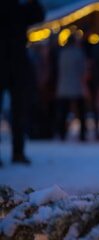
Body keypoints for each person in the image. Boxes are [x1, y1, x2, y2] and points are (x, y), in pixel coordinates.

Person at [0, 0, 45, 166]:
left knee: (20, 110)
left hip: (16, 62)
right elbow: (37, 15)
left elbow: (38, 15)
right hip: (15, 62)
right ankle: (18, 152)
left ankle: (18, 151)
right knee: (19, 111)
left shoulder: (20, 9)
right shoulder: (19, 9)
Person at [55, 34, 88, 141]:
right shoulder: (78, 53)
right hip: (76, 85)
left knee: (63, 111)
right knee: (81, 110)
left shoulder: (62, 54)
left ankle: (62, 133)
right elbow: (83, 70)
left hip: (63, 85)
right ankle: (82, 133)